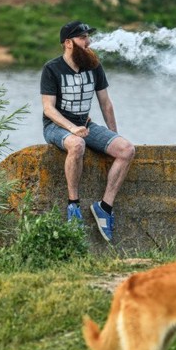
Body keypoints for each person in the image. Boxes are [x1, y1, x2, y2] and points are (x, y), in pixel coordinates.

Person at [40, 20, 135, 243]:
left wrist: (113, 135)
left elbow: (106, 104)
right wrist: (71, 127)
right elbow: (48, 108)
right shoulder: (52, 69)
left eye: (88, 37)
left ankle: (104, 207)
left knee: (127, 149)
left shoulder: (94, 66)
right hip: (57, 127)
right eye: (82, 37)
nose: (88, 41)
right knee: (77, 144)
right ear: (68, 43)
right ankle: (73, 206)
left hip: (86, 125)